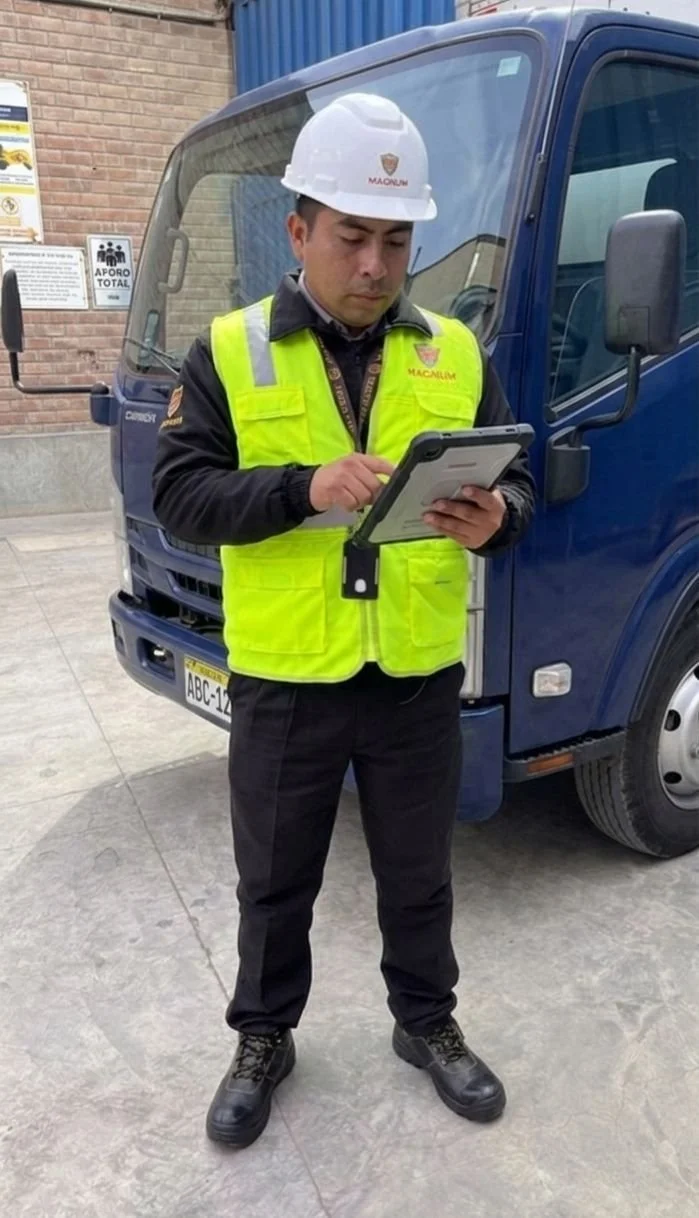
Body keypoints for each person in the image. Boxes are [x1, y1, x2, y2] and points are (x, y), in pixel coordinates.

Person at [152, 92, 536, 1149]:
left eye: (396, 239)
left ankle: (428, 1023)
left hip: (412, 672)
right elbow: (181, 500)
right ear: (300, 231)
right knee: (275, 882)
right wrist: (301, 488)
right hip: (287, 680)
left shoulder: (454, 353)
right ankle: (265, 1037)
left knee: (420, 873)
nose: (374, 264)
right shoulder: (228, 353)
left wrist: (496, 518)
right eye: (352, 236)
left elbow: (520, 486)